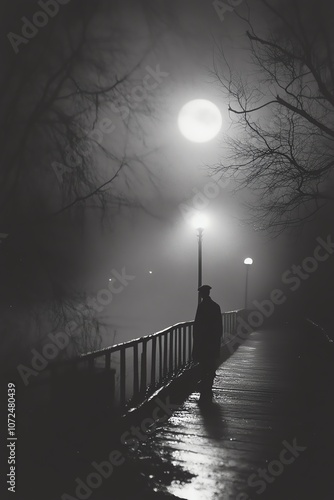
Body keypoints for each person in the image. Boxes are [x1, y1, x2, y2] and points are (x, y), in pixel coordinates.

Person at [193, 285, 223, 401]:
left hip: (203, 341)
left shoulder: (201, 307)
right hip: (213, 340)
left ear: (202, 294)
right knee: (211, 363)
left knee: (203, 364)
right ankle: (208, 385)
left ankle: (204, 386)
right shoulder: (216, 306)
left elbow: (197, 325)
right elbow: (219, 326)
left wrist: (196, 340)